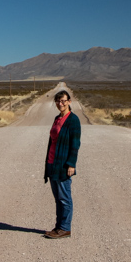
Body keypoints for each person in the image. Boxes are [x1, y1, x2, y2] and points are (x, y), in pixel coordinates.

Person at [44, 89, 81, 239]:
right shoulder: (56, 118)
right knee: (58, 198)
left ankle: (65, 228)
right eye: (58, 101)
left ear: (69, 102)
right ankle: (58, 227)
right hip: (52, 163)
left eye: (64, 101)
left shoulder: (73, 120)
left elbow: (75, 144)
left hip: (63, 164)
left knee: (64, 197)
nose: (61, 104)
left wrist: (71, 164)